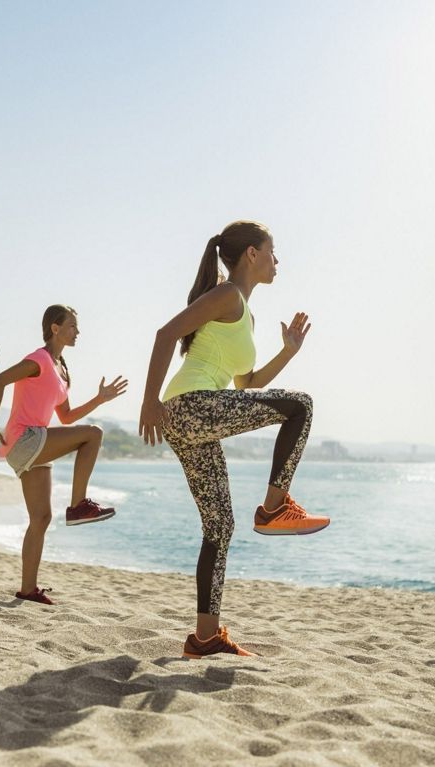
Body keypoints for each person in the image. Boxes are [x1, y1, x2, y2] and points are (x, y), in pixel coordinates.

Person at [139, 221, 329, 659]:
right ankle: (275, 507)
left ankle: (205, 637)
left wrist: (289, 351)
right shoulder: (227, 295)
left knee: (219, 527)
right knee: (300, 405)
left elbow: (247, 383)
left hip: (195, 415)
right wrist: (149, 401)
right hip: (189, 405)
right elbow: (165, 335)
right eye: (272, 251)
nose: (277, 260)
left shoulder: (243, 311)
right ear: (251, 255)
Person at [0, 305, 127, 605]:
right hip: (26, 438)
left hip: (34, 444)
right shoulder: (39, 360)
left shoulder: (62, 369)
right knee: (94, 434)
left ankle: (27, 590)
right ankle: (77, 505)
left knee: (42, 518)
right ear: (55, 328)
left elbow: (68, 416)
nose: (78, 332)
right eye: (72, 326)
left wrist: (100, 398)